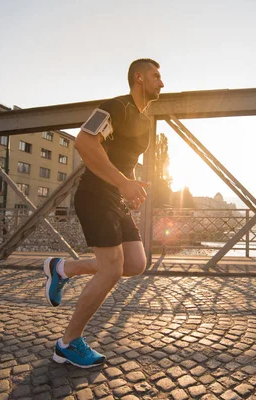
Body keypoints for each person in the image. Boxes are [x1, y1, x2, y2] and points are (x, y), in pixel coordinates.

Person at [42, 59, 164, 368]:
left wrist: (131, 185)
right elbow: (84, 141)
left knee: (135, 263)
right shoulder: (116, 107)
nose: (161, 83)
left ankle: (63, 269)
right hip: (96, 193)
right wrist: (123, 183)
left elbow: (126, 159)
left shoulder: (145, 121)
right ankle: (67, 343)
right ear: (139, 78)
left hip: (116, 196)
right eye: (156, 76)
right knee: (111, 270)